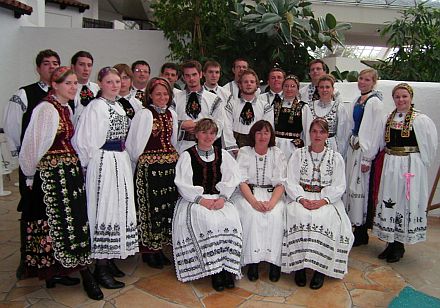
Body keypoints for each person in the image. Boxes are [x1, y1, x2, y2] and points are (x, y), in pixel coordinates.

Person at [18, 67, 103, 300]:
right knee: (56, 223)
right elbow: (33, 144)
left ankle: (63, 269)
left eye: (76, 83)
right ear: (55, 85)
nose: (74, 87)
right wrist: (28, 175)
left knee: (71, 222)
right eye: (69, 83)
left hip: (67, 173)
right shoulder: (46, 109)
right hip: (52, 176)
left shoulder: (65, 108)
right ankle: (76, 274)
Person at [74, 67, 139, 289]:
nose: (115, 85)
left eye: (117, 81)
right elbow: (85, 139)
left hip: (119, 160)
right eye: (109, 81)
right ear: (100, 83)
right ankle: (100, 267)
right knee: (105, 208)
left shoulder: (118, 106)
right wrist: (87, 166)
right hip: (103, 161)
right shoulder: (96, 106)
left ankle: (109, 259)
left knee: (118, 209)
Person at [3, 49, 60, 279]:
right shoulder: (25, 94)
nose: (51, 67)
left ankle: (52, 259)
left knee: (53, 213)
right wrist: (25, 159)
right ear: (38, 68)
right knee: (30, 211)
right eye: (46, 64)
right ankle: (27, 259)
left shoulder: (65, 94)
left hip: (56, 168)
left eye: (55, 63)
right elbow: (13, 127)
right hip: (33, 166)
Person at [282, 118, 353, 290]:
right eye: (314, 131)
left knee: (325, 218)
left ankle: (320, 269)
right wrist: (301, 198)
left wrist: (322, 201)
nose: (317, 135)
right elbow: (290, 180)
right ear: (309, 133)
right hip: (301, 196)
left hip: (326, 198)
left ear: (327, 135)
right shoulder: (298, 154)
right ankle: (299, 266)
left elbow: (339, 185)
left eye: (321, 132)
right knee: (297, 215)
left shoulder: (335, 158)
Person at [172, 118, 243, 292]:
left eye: (212, 133)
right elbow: (182, 184)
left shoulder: (223, 154)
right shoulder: (187, 155)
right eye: (204, 132)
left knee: (232, 220)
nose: (208, 136)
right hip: (195, 199)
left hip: (218, 198)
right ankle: (215, 270)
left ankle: (227, 267)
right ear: (196, 134)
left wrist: (223, 198)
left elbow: (231, 178)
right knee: (209, 222)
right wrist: (201, 200)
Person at [372, 83, 438, 263]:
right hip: (391, 163)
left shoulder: (420, 119)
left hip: (409, 165)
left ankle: (399, 245)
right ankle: (390, 241)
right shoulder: (389, 118)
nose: (401, 100)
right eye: (397, 97)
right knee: (390, 200)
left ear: (411, 98)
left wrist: (419, 167)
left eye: (404, 96)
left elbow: (429, 146)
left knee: (404, 201)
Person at [126, 77, 179, 269]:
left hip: (168, 169)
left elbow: (173, 141)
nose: (162, 97)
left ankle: (160, 247)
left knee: (165, 209)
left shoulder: (172, 113)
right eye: (158, 94)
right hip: (150, 170)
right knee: (150, 209)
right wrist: (143, 163)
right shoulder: (144, 114)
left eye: (165, 94)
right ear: (150, 95)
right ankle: (148, 250)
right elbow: (134, 146)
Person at [232, 120, 286, 282]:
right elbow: (241, 181)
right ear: (253, 135)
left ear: (271, 135)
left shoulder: (277, 153)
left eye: (266, 133)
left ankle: (274, 262)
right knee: (251, 215)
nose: (262, 136)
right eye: (259, 132)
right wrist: (254, 202)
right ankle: (252, 261)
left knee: (276, 215)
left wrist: (272, 203)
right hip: (248, 193)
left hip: (272, 195)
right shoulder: (244, 152)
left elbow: (281, 183)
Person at [345, 68, 384, 246]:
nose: (362, 82)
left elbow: (375, 130)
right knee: (352, 187)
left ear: (374, 82)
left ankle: (362, 231)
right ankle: (354, 226)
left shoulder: (374, 102)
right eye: (361, 78)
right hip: (354, 148)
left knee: (361, 188)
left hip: (364, 150)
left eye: (367, 80)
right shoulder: (357, 100)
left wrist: (368, 157)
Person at [174, 60, 223, 153]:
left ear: (200, 75)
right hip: (180, 147)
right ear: (183, 77)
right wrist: (182, 125)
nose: (191, 78)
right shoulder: (175, 99)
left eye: (194, 74)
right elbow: (169, 121)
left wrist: (200, 128)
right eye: (187, 75)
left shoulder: (214, 99)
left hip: (205, 147)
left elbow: (219, 123)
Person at [224, 69, 274, 154]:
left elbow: (267, 130)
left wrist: (259, 147)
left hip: (256, 147)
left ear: (257, 85)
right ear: (240, 85)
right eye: (245, 82)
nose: (249, 84)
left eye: (252, 82)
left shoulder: (265, 107)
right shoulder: (231, 105)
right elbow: (226, 127)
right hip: (235, 148)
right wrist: (233, 147)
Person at [306, 74, 349, 156]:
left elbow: (343, 135)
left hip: (331, 147)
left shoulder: (339, 107)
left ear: (332, 89)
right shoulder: (309, 106)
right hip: (312, 146)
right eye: (321, 87)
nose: (324, 90)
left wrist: (340, 154)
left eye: (327, 87)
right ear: (317, 89)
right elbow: (305, 131)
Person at [274, 75, 311, 160]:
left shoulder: (303, 107)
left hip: (294, 147)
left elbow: (307, 130)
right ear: (282, 88)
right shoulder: (275, 105)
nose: (289, 89)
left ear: (298, 89)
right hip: (277, 145)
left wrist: (307, 150)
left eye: (293, 86)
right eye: (286, 86)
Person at [70, 51, 100, 125]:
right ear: (73, 67)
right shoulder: (67, 90)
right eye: (81, 65)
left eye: (89, 65)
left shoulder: (98, 89)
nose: (86, 69)